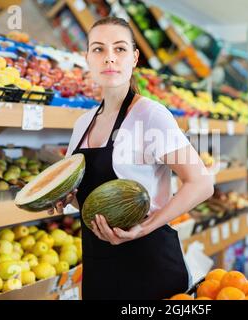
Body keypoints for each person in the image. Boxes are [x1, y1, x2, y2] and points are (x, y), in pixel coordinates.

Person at [50, 17, 214, 300]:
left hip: (150, 266)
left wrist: (143, 228)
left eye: (120, 49)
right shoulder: (83, 124)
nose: (109, 58)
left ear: (135, 58)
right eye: (99, 49)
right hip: (98, 268)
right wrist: (66, 196)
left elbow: (201, 183)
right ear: (87, 57)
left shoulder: (150, 115)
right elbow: (91, 199)